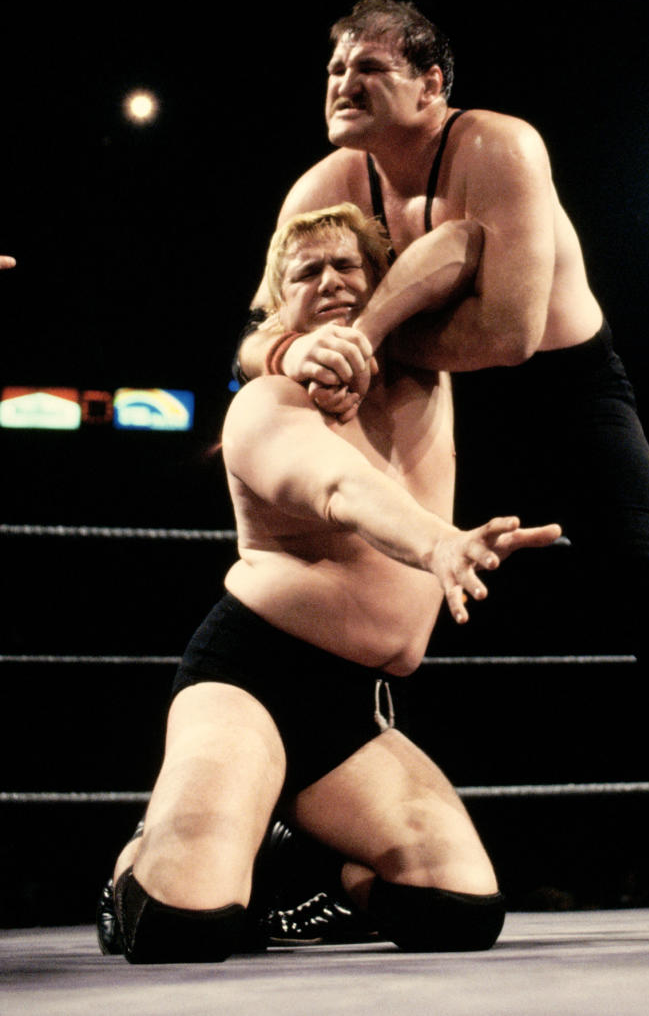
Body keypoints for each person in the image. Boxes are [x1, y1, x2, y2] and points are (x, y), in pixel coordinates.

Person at [236, 0, 649, 943]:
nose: (343, 81)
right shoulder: (321, 187)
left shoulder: (498, 147)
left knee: (647, 581)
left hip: (560, 395)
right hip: (414, 388)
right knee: (359, 597)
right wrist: (292, 355)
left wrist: (369, 336)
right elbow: (260, 327)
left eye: (368, 67)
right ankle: (330, 869)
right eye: (336, 68)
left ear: (431, 83)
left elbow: (507, 335)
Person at [104, 203, 560, 963]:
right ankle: (136, 862)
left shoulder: (422, 377)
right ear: (277, 304)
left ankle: (312, 868)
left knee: (459, 911)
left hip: (348, 712)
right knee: (189, 926)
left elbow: (464, 242)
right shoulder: (266, 404)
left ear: (382, 280)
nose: (330, 281)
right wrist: (437, 543)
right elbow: (339, 490)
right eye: (306, 272)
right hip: (248, 680)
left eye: (347, 264)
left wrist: (371, 329)